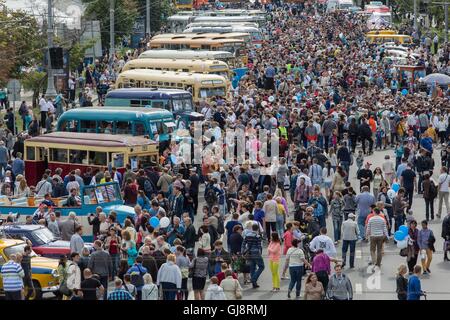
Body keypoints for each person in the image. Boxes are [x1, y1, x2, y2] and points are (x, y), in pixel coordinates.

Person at [241, 223, 265, 289]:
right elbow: (259, 246)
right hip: (256, 253)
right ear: (257, 229)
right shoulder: (258, 236)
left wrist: (243, 252)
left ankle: (254, 284)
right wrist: (260, 253)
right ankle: (253, 279)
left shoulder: (247, 235)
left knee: (252, 267)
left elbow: (243, 244)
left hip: (249, 253)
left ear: (252, 228)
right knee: (262, 266)